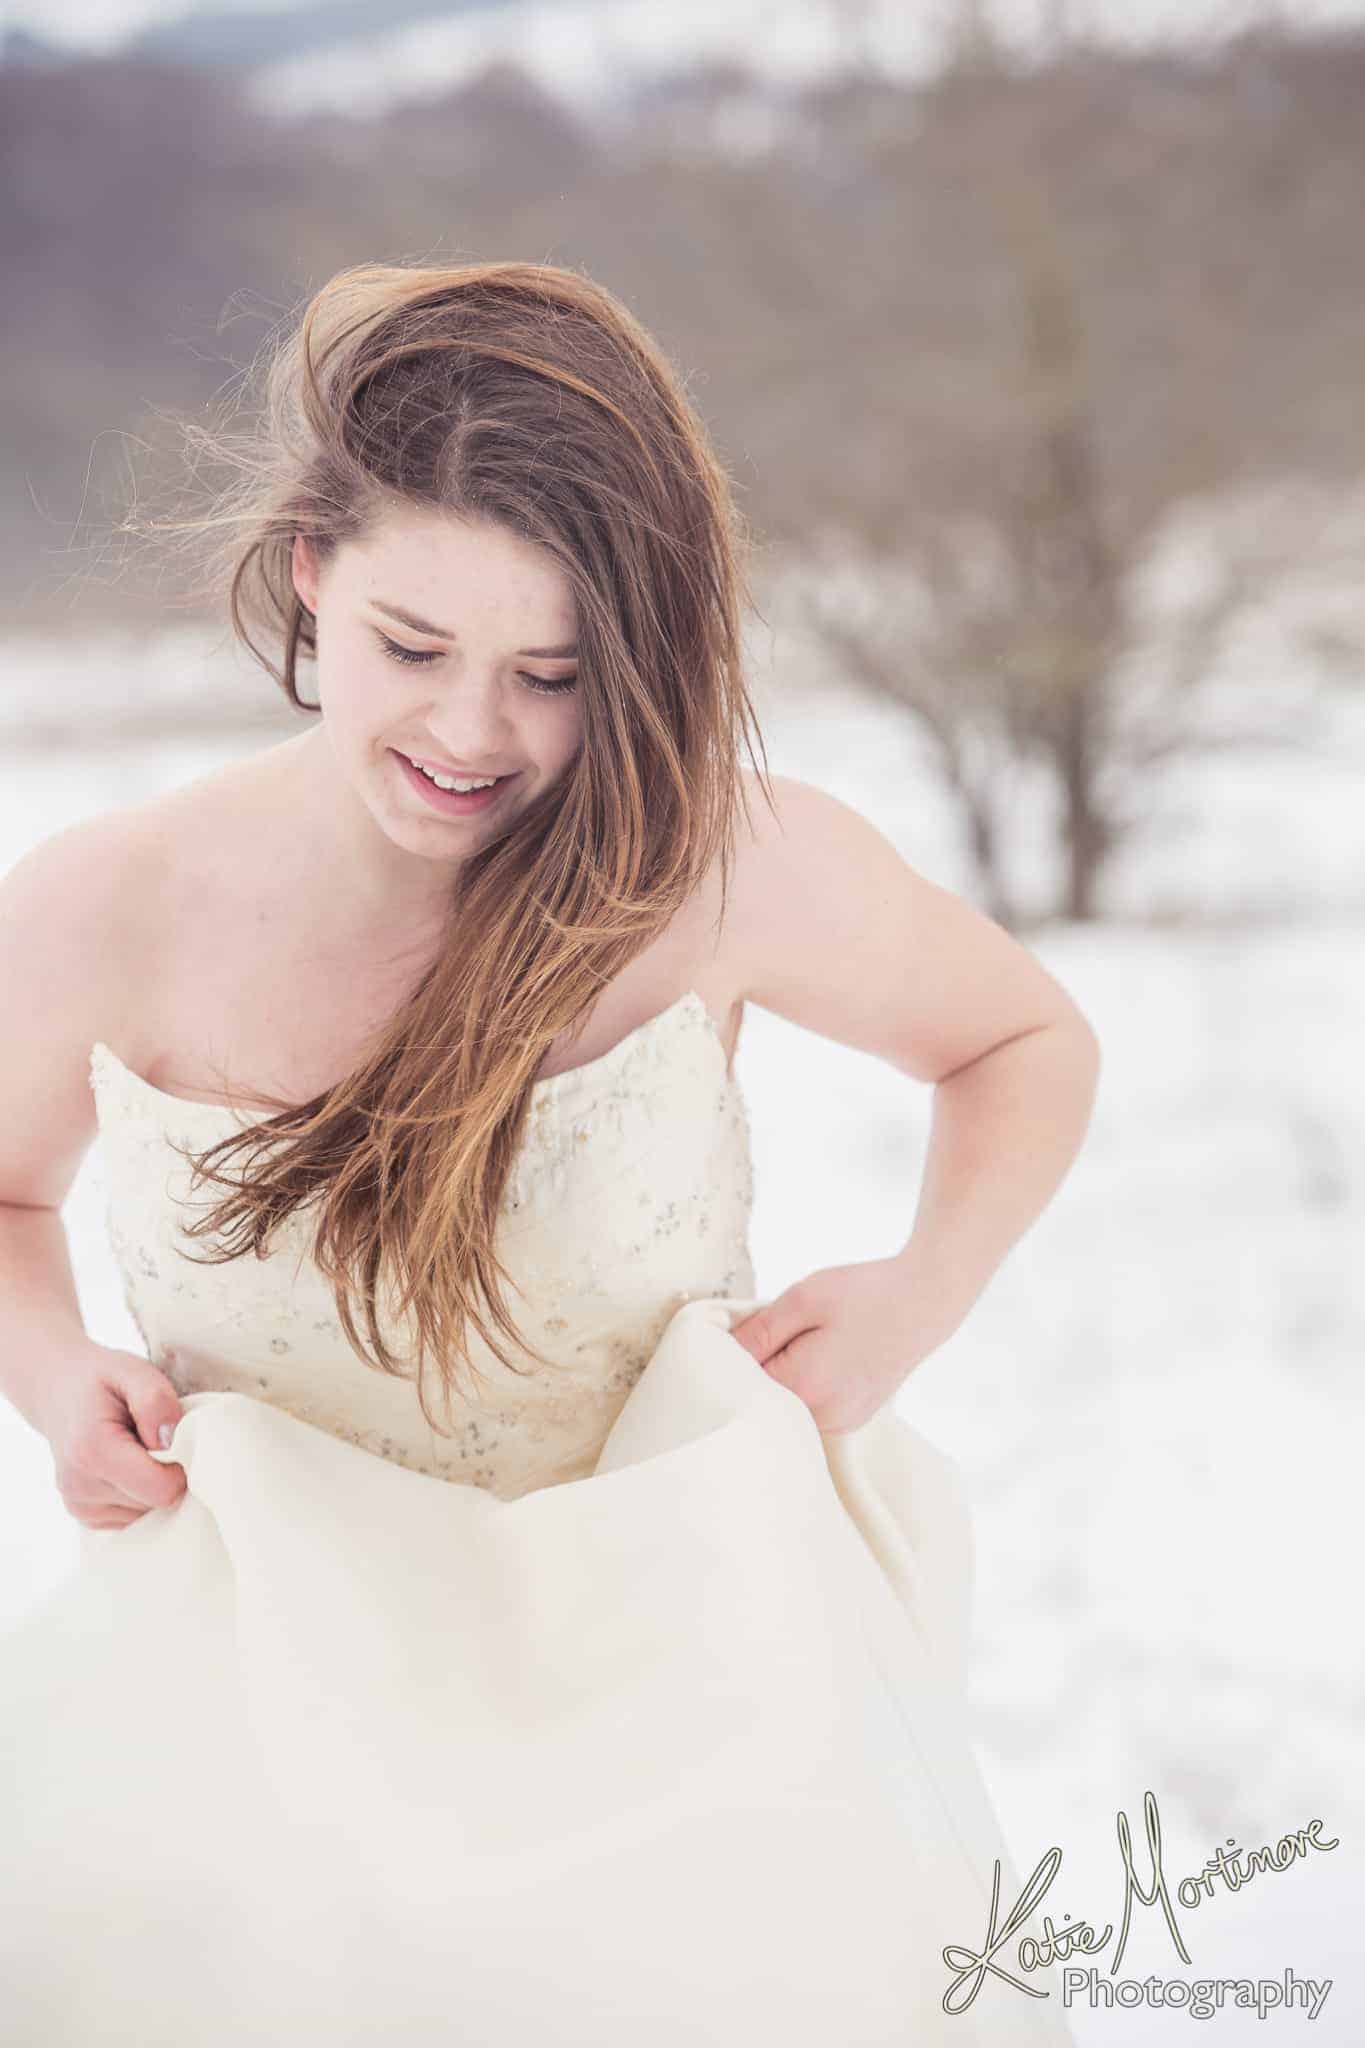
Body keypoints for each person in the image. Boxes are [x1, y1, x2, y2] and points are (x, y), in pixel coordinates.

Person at [0, 260, 1096, 2044]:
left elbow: (1021, 1041)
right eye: (411, 648)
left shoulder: (720, 865)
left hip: (698, 1730)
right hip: (264, 1745)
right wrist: (52, 1372)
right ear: (310, 570)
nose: (470, 734)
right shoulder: (109, 905)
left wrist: (921, 1290)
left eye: (551, 674)